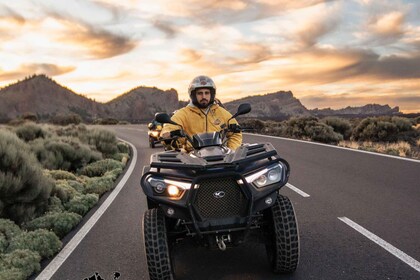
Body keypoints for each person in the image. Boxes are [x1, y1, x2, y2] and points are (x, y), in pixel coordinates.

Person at [161, 75, 242, 150]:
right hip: (192, 159)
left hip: (219, 156)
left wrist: (231, 151)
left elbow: (236, 133)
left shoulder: (221, 112)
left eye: (207, 93)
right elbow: (170, 128)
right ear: (193, 95)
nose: (204, 96)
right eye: (200, 93)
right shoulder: (183, 114)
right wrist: (167, 135)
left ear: (212, 94)